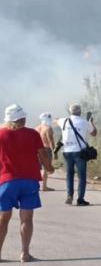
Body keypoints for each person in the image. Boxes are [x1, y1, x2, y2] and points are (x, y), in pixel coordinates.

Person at [0, 104, 54, 262]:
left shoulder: (1, 134)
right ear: (22, 118)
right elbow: (43, 154)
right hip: (29, 180)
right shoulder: (33, 134)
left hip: (7, 181)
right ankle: (24, 253)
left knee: (3, 218)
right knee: (27, 219)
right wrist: (49, 167)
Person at [57, 104, 97, 206]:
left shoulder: (64, 121)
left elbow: (56, 120)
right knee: (81, 176)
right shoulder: (84, 122)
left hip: (67, 151)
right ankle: (80, 199)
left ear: (70, 112)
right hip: (80, 152)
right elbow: (94, 133)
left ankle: (69, 196)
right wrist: (91, 122)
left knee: (69, 174)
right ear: (80, 112)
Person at [35, 113, 55, 192]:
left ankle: (36, 186)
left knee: (37, 168)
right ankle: (44, 186)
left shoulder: (36, 128)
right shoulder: (48, 128)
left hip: (36, 149)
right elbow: (50, 141)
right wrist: (54, 152)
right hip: (46, 149)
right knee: (45, 168)